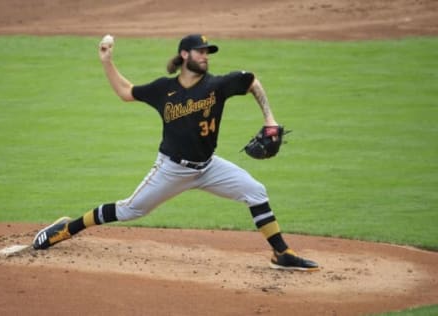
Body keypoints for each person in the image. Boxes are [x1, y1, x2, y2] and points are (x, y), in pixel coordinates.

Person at [33, 34, 319, 271]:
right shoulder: (164, 90)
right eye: (200, 51)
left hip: (208, 167)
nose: (206, 56)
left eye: (208, 52)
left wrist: (269, 118)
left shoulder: (217, 85)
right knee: (129, 209)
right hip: (171, 169)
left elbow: (252, 80)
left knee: (256, 191)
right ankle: (66, 228)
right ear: (184, 55)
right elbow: (125, 91)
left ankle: (282, 254)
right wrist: (107, 62)